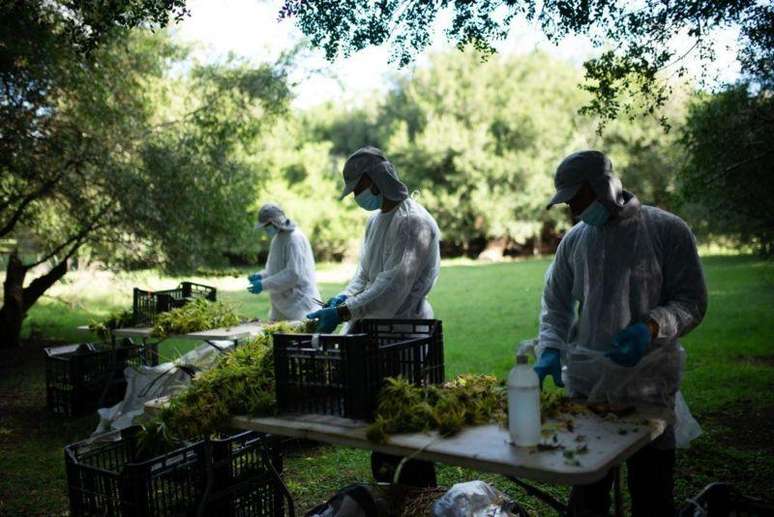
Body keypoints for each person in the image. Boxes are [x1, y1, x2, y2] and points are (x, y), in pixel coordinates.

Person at [536, 150, 707, 516]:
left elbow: (692, 301)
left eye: (575, 199)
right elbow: (556, 302)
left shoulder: (666, 230)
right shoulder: (576, 240)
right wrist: (550, 347)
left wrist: (651, 327)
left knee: (652, 492)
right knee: (586, 490)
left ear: (603, 188)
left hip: (648, 385)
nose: (571, 211)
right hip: (589, 386)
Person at [306, 146, 441, 334]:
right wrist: (345, 296)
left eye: (357, 188)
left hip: (402, 332)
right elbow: (365, 274)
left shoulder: (412, 223)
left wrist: (343, 312)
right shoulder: (375, 220)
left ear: (376, 180)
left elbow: (392, 287)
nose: (355, 196)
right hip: (371, 328)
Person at [247, 203, 320, 322]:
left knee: (297, 338)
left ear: (274, 222)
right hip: (281, 306)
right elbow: (275, 269)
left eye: (266, 226)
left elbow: (293, 274)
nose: (265, 230)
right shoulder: (278, 238)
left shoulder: (294, 238)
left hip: (299, 305)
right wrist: (261, 276)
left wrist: (263, 284)